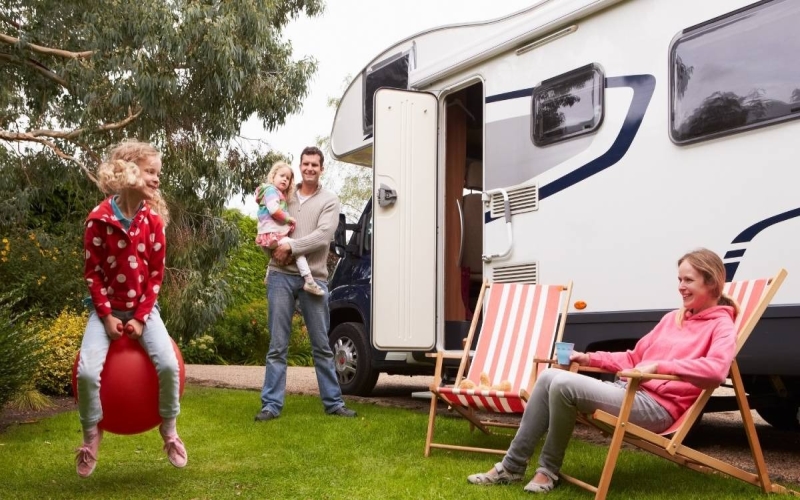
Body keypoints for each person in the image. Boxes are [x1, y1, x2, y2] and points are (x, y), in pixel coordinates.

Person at [467, 248, 738, 493]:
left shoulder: (721, 325)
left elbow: (717, 371)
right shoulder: (673, 319)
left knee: (563, 385)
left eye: (688, 280)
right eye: (679, 279)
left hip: (658, 408)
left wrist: (660, 366)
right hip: (629, 392)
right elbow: (632, 357)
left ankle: (547, 471)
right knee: (549, 375)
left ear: (711, 282)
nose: (680, 287)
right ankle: (512, 466)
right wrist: (588, 358)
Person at [74, 140, 187, 477]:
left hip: (144, 311)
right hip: (105, 312)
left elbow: (155, 276)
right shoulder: (98, 220)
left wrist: (139, 319)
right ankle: (91, 434)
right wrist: (107, 316)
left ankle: (169, 429)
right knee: (86, 372)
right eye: (150, 172)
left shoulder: (154, 222)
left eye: (158, 173)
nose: (157, 179)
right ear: (130, 171)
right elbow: (92, 274)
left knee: (169, 364)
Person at [255, 146, 356, 421]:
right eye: (306, 164)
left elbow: (323, 237)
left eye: (315, 164)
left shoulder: (330, 200)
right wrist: (273, 252)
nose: (310, 168)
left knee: (322, 345)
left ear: (322, 168)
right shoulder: (283, 194)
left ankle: (334, 403)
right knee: (277, 345)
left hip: (315, 277)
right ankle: (270, 405)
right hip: (280, 275)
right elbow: (266, 224)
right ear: (300, 166)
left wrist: (291, 246)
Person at [255, 161, 324, 296]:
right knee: (296, 248)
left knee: (277, 253)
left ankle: (269, 274)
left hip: (269, 234)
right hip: (271, 234)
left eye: (288, 178)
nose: (285, 180)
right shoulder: (271, 191)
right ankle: (309, 280)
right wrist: (288, 219)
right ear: (273, 176)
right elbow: (273, 210)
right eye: (282, 176)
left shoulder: (274, 193)